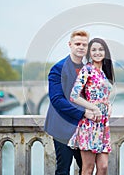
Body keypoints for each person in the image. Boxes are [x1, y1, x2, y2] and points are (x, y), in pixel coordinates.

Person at [44, 30, 102, 175]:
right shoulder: (58, 68)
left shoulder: (88, 69)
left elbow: (93, 96)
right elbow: (57, 100)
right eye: (77, 44)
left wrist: (104, 106)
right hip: (62, 126)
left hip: (83, 128)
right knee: (63, 169)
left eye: (84, 44)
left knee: (86, 168)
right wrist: (84, 113)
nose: (81, 47)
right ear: (70, 45)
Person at [68, 38, 115, 175]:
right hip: (90, 124)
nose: (97, 52)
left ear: (105, 52)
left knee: (103, 167)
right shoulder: (86, 70)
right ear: (89, 52)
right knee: (88, 169)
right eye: (94, 49)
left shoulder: (105, 72)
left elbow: (103, 95)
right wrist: (93, 108)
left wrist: (109, 105)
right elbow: (74, 95)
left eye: (100, 49)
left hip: (103, 125)